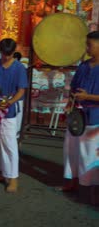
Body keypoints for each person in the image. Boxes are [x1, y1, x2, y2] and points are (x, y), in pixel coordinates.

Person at [0, 38, 27, 193]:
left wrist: (9, 102)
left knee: (9, 145)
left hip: (9, 111)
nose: (6, 57)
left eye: (9, 54)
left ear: (14, 52)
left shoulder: (19, 68)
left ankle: (13, 178)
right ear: (0, 51)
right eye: (3, 54)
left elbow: (21, 90)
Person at [59, 31, 99, 199]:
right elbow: (74, 87)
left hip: (95, 116)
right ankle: (72, 181)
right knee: (72, 149)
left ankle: (94, 189)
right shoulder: (83, 65)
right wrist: (69, 104)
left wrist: (88, 97)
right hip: (78, 114)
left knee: (91, 154)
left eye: (90, 45)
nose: (87, 48)